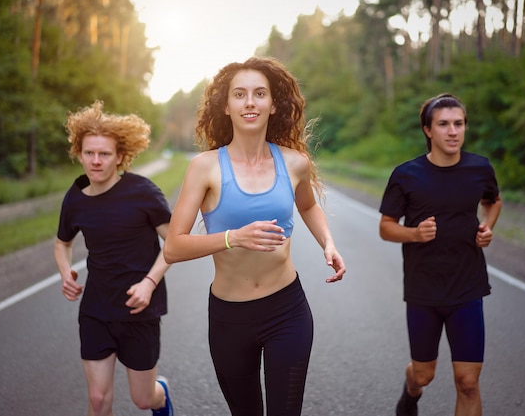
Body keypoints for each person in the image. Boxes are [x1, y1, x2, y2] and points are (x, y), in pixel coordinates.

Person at [163, 57, 346, 416]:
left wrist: (328, 242)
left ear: (273, 104)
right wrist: (233, 237)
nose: (250, 102)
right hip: (231, 317)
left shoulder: (294, 163)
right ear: (227, 106)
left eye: (260, 94)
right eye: (240, 94)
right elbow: (172, 247)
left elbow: (308, 207)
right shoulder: (204, 168)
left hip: (287, 310)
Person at [378, 93, 502, 416]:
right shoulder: (406, 175)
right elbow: (386, 227)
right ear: (427, 130)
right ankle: (411, 392)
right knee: (424, 374)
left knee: (468, 381)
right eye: (443, 124)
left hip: (468, 286)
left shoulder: (480, 168)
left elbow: (493, 201)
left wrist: (487, 226)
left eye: (458, 124)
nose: (452, 131)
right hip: (424, 290)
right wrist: (415, 234)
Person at [53, 101, 174, 416]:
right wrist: (65, 272)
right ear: (79, 153)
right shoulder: (76, 197)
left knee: (144, 399)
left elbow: (175, 242)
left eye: (104, 154)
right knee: (98, 400)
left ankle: (163, 395)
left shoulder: (143, 192)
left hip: (139, 309)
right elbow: (61, 243)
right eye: (89, 153)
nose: (95, 161)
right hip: (95, 309)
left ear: (120, 157)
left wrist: (149, 283)